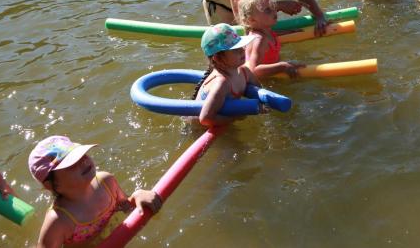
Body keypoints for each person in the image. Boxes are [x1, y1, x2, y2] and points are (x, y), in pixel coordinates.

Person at [30, 135, 161, 247]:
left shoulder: (106, 182)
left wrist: (137, 196)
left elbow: (125, 205)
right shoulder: (59, 221)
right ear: (50, 185)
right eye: (71, 163)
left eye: (82, 154)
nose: (83, 161)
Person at [192, 24, 261, 126]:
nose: (242, 50)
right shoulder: (221, 84)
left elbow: (259, 91)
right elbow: (205, 119)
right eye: (235, 49)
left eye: (241, 46)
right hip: (201, 128)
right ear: (218, 58)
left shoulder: (245, 72)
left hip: (220, 117)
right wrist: (234, 118)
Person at [238, 0, 305, 78]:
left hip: (270, 74)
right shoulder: (259, 40)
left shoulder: (265, 31)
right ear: (252, 20)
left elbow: (273, 34)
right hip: (261, 80)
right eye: (268, 10)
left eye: (273, 7)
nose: (274, 11)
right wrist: (283, 66)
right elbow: (254, 70)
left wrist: (290, 32)